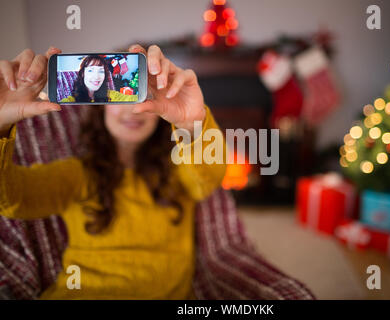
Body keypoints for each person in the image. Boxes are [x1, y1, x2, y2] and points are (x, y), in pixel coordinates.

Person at [0, 44, 227, 299]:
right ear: (101, 104)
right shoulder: (77, 174)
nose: (131, 110)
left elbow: (211, 175)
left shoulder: (180, 171)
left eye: (140, 95)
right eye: (118, 95)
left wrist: (192, 123)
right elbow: (12, 200)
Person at [60, 54, 137, 103]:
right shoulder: (71, 101)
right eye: (90, 70)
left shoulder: (111, 95)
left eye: (101, 71)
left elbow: (133, 99)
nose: (96, 77)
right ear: (83, 73)